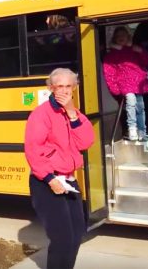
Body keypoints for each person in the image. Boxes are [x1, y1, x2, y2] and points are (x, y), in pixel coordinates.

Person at [24, 68, 94, 269]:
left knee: (77, 233)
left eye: (68, 86)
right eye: (59, 86)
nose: (64, 90)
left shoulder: (74, 114)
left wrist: (72, 113)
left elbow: (86, 142)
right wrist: (49, 179)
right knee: (62, 238)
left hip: (69, 180)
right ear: (51, 88)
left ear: (75, 88)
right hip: (47, 181)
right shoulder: (41, 114)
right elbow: (33, 150)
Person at [103, 26, 148, 141]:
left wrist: (141, 51)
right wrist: (114, 88)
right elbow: (109, 72)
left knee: (140, 107)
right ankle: (132, 128)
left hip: (138, 82)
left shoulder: (134, 50)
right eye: (118, 36)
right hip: (124, 83)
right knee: (131, 102)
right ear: (114, 38)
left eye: (123, 35)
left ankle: (141, 130)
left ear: (128, 37)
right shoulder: (112, 55)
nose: (121, 38)